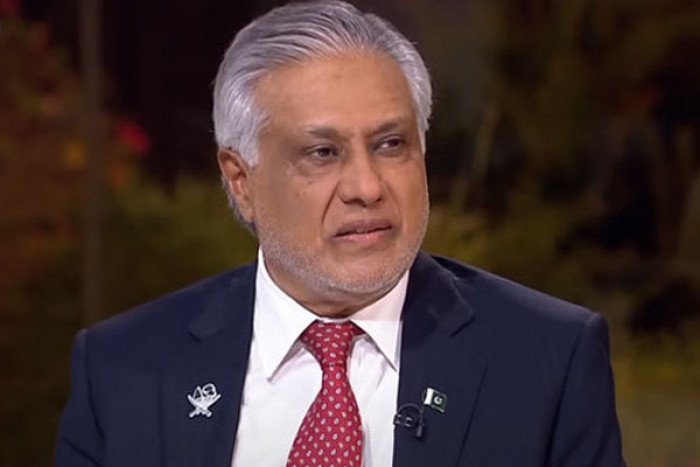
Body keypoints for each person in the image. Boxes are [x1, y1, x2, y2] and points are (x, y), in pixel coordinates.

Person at [55, 1, 625, 466]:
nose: (367, 187)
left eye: (391, 144)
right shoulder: (123, 370)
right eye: (322, 153)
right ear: (241, 181)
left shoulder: (547, 359)